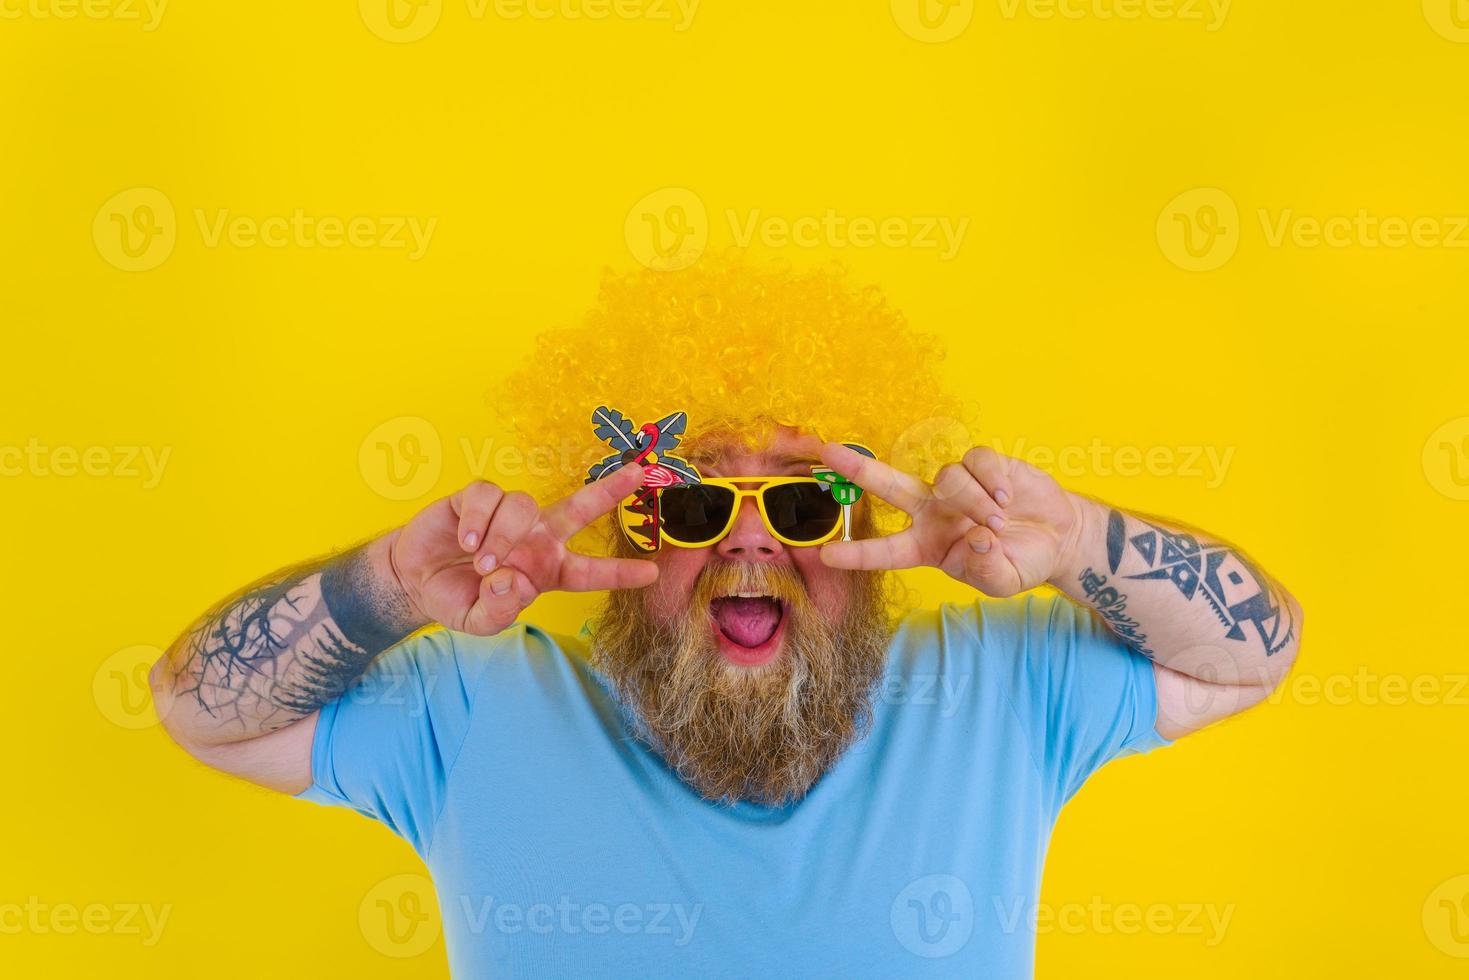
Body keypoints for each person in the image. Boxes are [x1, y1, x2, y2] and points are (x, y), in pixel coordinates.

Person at [150, 259, 1302, 977]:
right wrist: (392, 583)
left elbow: (1252, 654)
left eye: (804, 503)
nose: (750, 543)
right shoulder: (473, 704)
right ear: (625, 529)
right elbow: (203, 709)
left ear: (870, 530)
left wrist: (1085, 543)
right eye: (693, 501)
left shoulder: (999, 690)